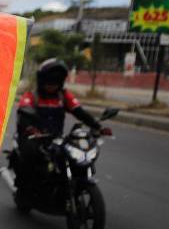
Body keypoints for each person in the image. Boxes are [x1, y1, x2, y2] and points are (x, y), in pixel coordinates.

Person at [15, 58, 108, 187]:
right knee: (31, 159)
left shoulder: (63, 96)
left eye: (56, 81)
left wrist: (98, 126)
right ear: (42, 80)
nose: (52, 85)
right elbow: (23, 115)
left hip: (56, 139)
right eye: (49, 81)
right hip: (35, 139)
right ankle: (24, 191)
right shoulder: (31, 96)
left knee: (70, 157)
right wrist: (30, 129)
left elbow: (79, 112)